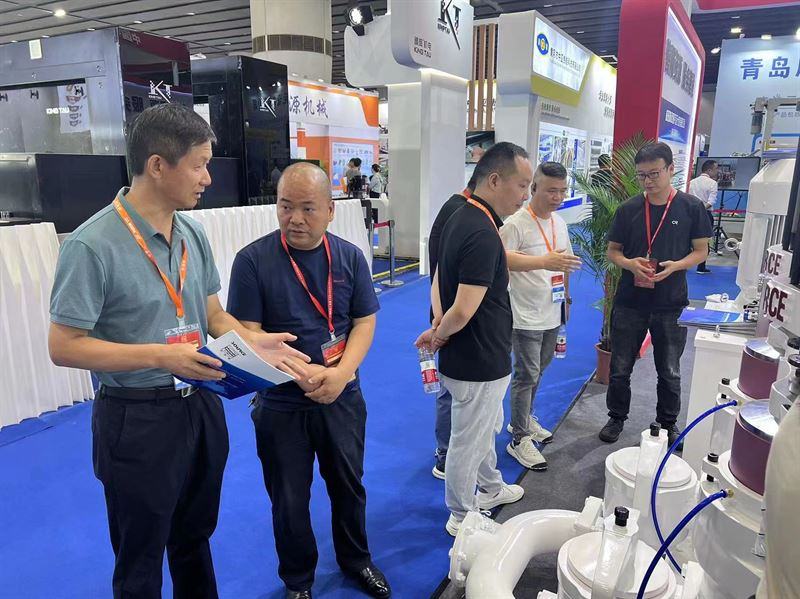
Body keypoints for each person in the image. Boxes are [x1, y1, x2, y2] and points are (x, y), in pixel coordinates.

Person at [48, 103, 309, 599]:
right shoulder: (91, 245)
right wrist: (160, 356)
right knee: (140, 557)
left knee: (194, 537)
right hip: (136, 419)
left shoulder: (192, 232)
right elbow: (64, 346)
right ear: (157, 165)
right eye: (199, 165)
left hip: (201, 406)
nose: (208, 178)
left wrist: (249, 339)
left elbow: (212, 315)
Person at [226, 163, 390, 599]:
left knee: (349, 486)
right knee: (288, 498)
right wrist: (304, 374)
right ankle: (298, 580)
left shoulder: (349, 256)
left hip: (342, 396)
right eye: (285, 207)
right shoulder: (253, 261)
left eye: (307, 208)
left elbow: (364, 321)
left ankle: (356, 560)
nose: (295, 218)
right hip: (281, 403)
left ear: (330, 211)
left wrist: (340, 373)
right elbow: (249, 334)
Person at [415, 142, 532, 536]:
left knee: (483, 428)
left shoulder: (459, 214)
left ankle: (492, 487)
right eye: (522, 186)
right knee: (468, 439)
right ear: (495, 180)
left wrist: (438, 323)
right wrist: (439, 333)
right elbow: (464, 310)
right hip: (478, 358)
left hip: (475, 355)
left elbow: (437, 277)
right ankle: (462, 515)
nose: (524, 196)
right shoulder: (481, 231)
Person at [598, 142, 712, 447]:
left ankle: (668, 423)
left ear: (671, 170)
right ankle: (616, 416)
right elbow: (613, 252)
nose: (647, 181)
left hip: (671, 303)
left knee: (670, 370)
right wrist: (630, 264)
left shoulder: (691, 207)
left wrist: (677, 265)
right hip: (630, 302)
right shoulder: (628, 209)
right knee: (620, 368)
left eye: (654, 173)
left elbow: (701, 251)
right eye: (642, 175)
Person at [500, 162, 582, 471]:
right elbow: (501, 258)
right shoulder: (516, 223)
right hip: (524, 314)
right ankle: (519, 438)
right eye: (551, 191)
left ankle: (523, 418)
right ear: (534, 188)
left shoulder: (559, 222)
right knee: (526, 375)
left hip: (552, 310)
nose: (557, 197)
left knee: (539, 370)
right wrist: (542, 261)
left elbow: (566, 263)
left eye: (562, 191)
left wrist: (567, 300)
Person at [426, 177, 475, 480]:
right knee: (450, 389)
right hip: (450, 317)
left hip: (449, 315)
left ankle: (449, 451)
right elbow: (439, 271)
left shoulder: (457, 210)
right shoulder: (460, 213)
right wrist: (441, 323)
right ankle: (446, 454)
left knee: (455, 388)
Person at [688, 159, 719, 274]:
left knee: (687, 239)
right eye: (716, 169)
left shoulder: (692, 182)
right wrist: (701, 210)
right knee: (705, 241)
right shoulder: (713, 183)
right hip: (705, 214)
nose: (718, 171)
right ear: (709, 170)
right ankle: (701, 267)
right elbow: (711, 202)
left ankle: (682, 265)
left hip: (690, 214)